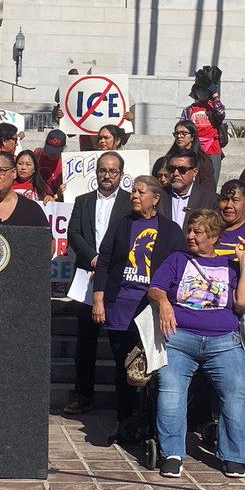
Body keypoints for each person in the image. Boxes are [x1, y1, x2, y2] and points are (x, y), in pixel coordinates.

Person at [149, 209, 245, 479]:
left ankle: (233, 455)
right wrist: (163, 302)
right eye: (190, 230)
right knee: (171, 391)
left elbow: (244, 302)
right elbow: (155, 288)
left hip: (223, 341)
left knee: (234, 392)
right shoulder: (177, 259)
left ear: (214, 237)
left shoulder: (229, 267)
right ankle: (172, 453)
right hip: (180, 339)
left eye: (198, 232)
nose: (191, 236)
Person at [92, 176, 185, 442]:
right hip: (120, 308)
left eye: (140, 192)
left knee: (152, 370)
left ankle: (153, 423)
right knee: (125, 368)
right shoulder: (121, 225)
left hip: (151, 312)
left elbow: (178, 267)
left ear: (155, 199)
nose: (134, 195)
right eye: (133, 191)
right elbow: (105, 262)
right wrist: (99, 299)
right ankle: (124, 421)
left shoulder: (171, 230)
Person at [64, 152, 131, 415]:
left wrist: (108, 263)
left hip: (118, 279)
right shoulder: (83, 201)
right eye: (102, 170)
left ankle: (125, 396)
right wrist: (92, 258)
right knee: (86, 341)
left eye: (112, 171)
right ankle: (83, 394)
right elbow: (74, 233)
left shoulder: (130, 203)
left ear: (121, 175)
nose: (106, 175)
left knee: (120, 340)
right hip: (87, 277)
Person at [180, 65, 226, 183]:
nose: (202, 93)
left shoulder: (214, 108)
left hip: (213, 147)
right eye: (199, 90)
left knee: (212, 181)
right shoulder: (188, 110)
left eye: (204, 90)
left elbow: (221, 114)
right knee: (194, 181)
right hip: (195, 146)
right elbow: (182, 128)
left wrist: (215, 94)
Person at [160, 148, 220, 228]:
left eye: (182, 170)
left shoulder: (210, 200)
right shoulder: (159, 196)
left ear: (194, 172)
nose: (175, 173)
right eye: (171, 169)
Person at [34, 130, 66, 198]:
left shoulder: (65, 162)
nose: (51, 154)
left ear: (62, 149)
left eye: (55, 151)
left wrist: (57, 196)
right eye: (49, 150)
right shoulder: (38, 154)